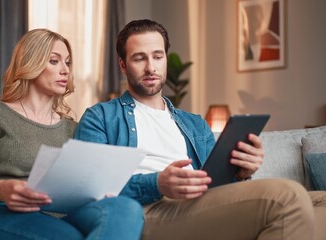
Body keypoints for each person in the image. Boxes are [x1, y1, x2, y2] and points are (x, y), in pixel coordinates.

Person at [75, 19, 320, 239]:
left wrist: (241, 173)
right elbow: (90, 188)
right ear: (123, 65)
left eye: (158, 56)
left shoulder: (193, 122)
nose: (151, 67)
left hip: (199, 205)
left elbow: (218, 186)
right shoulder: (101, 117)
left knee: (318, 201)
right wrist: (158, 183)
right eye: (140, 58)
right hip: (145, 211)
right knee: (288, 196)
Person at [0, 29, 144, 240]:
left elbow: (79, 186)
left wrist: (100, 194)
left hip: (60, 215)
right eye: (54, 61)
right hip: (2, 211)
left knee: (126, 208)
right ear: (31, 62)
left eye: (68, 62)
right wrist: (0, 189)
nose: (65, 70)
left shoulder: (73, 129)